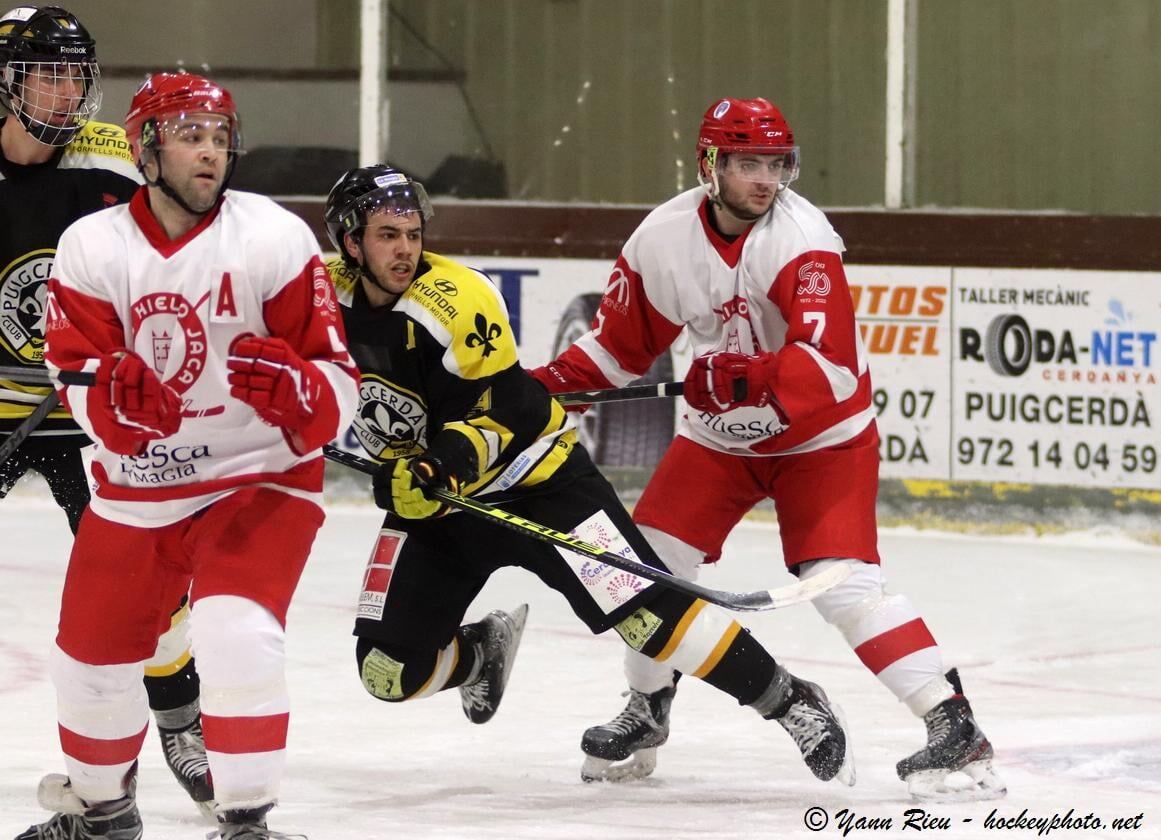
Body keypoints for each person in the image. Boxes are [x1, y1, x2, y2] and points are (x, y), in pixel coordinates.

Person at [323, 164, 854, 796]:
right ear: (351, 242)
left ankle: (789, 700)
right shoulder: (319, 294)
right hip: (439, 506)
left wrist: (442, 465)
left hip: (536, 483)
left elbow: (507, 409)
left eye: (412, 232)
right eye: (387, 234)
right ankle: (482, 654)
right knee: (387, 673)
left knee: (647, 618)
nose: (406, 248)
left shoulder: (459, 299)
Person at [532, 97, 1006, 802]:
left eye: (774, 163)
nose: (763, 179)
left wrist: (741, 374)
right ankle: (647, 707)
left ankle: (952, 722)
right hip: (717, 443)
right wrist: (536, 391)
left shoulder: (802, 240)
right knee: (643, 571)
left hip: (820, 439)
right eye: (746, 163)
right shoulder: (662, 239)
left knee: (841, 584)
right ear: (708, 165)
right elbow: (615, 348)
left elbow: (830, 366)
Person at [16, 71, 358, 839]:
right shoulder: (92, 245)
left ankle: (245, 821)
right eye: (189, 136)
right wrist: (110, 406)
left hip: (256, 475)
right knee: (89, 659)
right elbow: (72, 371)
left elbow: (338, 381)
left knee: (237, 632)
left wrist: (306, 396)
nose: (209, 153)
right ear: (145, 146)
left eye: (217, 138)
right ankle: (101, 813)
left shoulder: (271, 236)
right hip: (138, 483)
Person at [0, 5, 213, 816]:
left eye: (72, 74)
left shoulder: (115, 162)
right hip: (4, 403)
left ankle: (182, 721)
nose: (61, 92)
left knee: (143, 574)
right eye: (43, 73)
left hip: (97, 406)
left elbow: (195, 256)